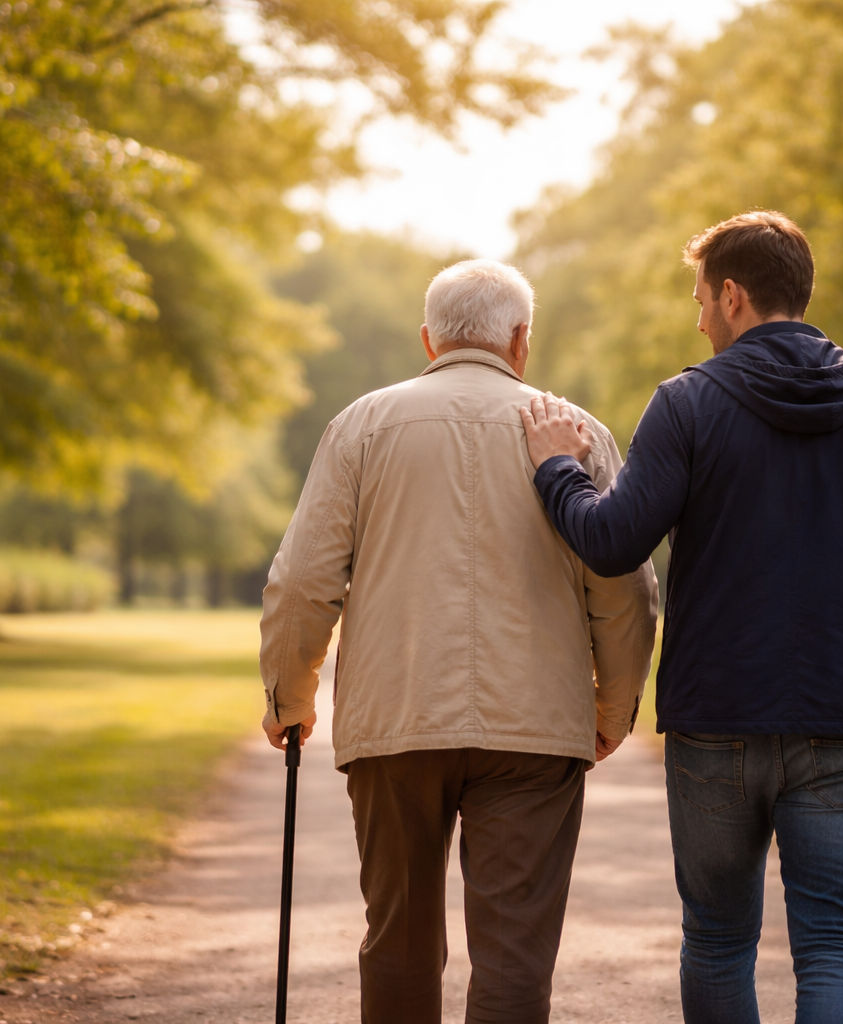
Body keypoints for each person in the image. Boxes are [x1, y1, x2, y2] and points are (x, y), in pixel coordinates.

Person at [519, 210, 843, 1024]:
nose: (696, 318)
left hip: (716, 721)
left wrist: (558, 471)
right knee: (834, 946)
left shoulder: (688, 404)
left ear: (733, 295)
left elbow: (612, 543)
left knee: (718, 940)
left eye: (698, 298)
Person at [259, 258, 659, 1024]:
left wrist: (290, 697)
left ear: (429, 338)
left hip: (395, 718)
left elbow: (303, 580)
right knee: (515, 953)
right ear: (521, 340)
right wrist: (613, 708)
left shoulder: (362, 426)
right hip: (536, 729)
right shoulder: (575, 432)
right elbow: (628, 592)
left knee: (398, 940)